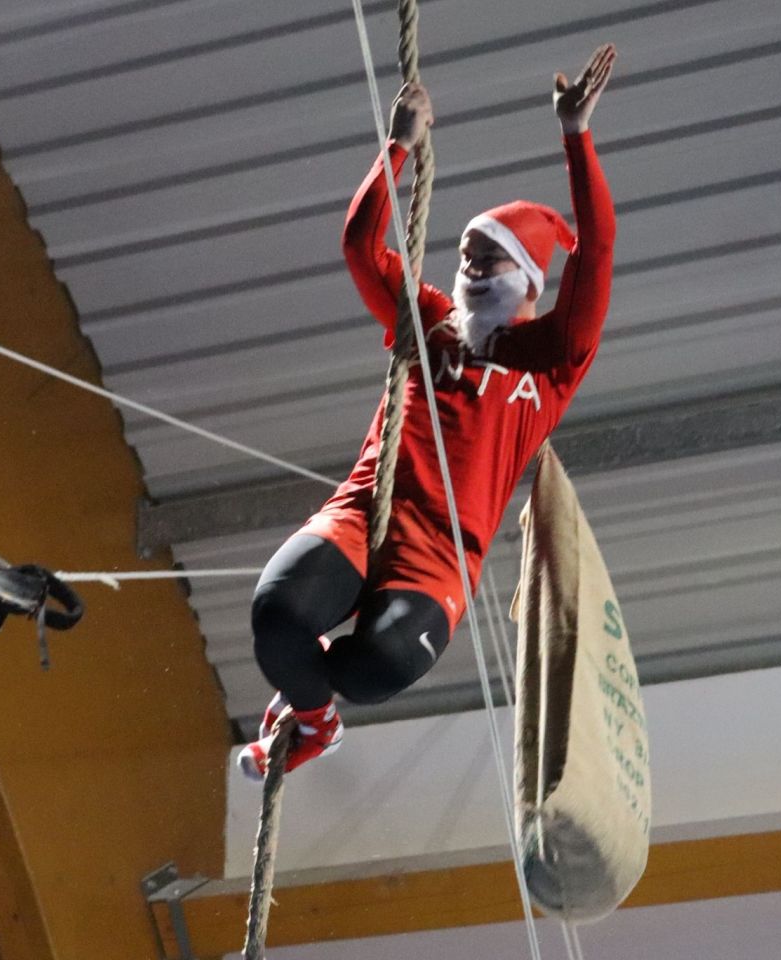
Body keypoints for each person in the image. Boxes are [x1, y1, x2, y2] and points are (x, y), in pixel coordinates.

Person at [239, 44, 617, 779]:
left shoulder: (550, 358)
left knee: (372, 668)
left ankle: (317, 698)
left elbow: (597, 250)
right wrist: (397, 148)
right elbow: (360, 245)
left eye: (489, 258)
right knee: (276, 615)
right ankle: (311, 725)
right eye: (465, 254)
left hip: (440, 553)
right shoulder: (429, 320)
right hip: (363, 513)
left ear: (530, 277)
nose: (468, 268)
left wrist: (576, 138)